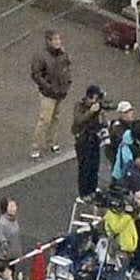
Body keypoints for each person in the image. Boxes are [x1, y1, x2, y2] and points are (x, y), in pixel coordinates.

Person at [29, 29, 72, 160]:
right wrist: (49, 87)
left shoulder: (63, 54)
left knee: (56, 118)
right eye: (55, 39)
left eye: (59, 39)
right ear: (48, 41)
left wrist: (68, 82)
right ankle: (35, 146)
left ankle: (52, 142)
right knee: (45, 120)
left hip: (60, 91)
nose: (58, 42)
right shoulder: (41, 56)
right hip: (48, 93)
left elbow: (67, 68)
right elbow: (36, 75)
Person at [72, 85, 106, 199]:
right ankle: (84, 192)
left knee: (94, 165)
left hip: (94, 139)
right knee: (84, 167)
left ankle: (93, 188)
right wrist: (91, 112)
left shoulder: (98, 108)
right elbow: (78, 120)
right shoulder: (79, 106)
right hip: (83, 141)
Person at [0, 197, 22, 265]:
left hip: (13, 255)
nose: (14, 208)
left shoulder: (14, 220)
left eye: (15, 206)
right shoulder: (2, 223)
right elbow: (2, 240)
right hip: (4, 258)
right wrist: (6, 253)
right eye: (11, 206)